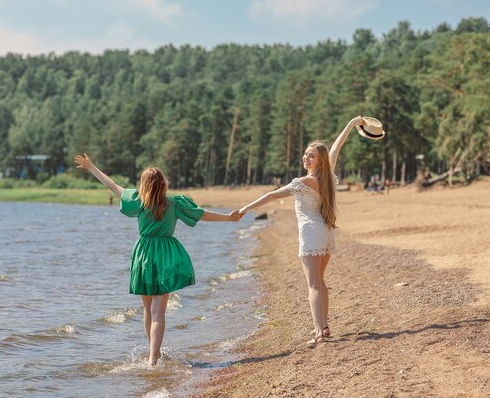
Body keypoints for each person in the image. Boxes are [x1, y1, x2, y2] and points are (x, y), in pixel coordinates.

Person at [74, 153, 240, 366]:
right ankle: (154, 356)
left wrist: (91, 167)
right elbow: (202, 215)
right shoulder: (174, 204)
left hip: (143, 255)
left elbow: (112, 185)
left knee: (148, 309)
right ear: (163, 185)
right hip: (166, 254)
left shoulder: (137, 202)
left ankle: (153, 354)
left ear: (143, 185)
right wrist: (229, 217)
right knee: (158, 312)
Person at [237, 116, 368, 345]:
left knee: (313, 284)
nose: (306, 158)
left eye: (312, 156)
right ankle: (323, 327)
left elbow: (272, 195)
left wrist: (246, 208)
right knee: (320, 281)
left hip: (311, 232)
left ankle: (319, 332)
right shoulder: (326, 176)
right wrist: (350, 124)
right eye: (306, 154)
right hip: (326, 232)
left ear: (319, 161)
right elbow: (336, 147)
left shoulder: (303, 182)